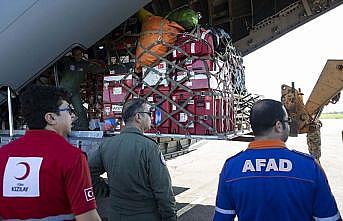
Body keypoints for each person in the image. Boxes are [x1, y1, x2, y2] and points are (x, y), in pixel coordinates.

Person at [213, 99, 341, 221]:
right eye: (288, 121)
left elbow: (222, 217)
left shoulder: (231, 167)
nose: (289, 125)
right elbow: (328, 218)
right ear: (278, 126)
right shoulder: (309, 167)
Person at [0, 85, 101, 221]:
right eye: (68, 110)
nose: (73, 116)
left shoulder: (3, 155)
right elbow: (88, 218)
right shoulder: (72, 157)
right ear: (51, 118)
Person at [89, 98, 177, 221]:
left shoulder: (107, 145)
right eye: (148, 114)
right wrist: (170, 217)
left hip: (115, 215)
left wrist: (106, 190)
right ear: (138, 117)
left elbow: (87, 173)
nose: (150, 118)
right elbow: (163, 191)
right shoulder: (149, 147)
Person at [59, 46, 105, 130]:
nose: (78, 56)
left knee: (80, 111)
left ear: (82, 54)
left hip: (74, 91)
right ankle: (58, 129)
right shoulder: (67, 61)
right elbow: (58, 59)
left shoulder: (84, 64)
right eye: (76, 54)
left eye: (79, 54)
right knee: (60, 110)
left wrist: (104, 68)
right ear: (72, 55)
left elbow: (96, 69)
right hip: (63, 90)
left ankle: (85, 129)